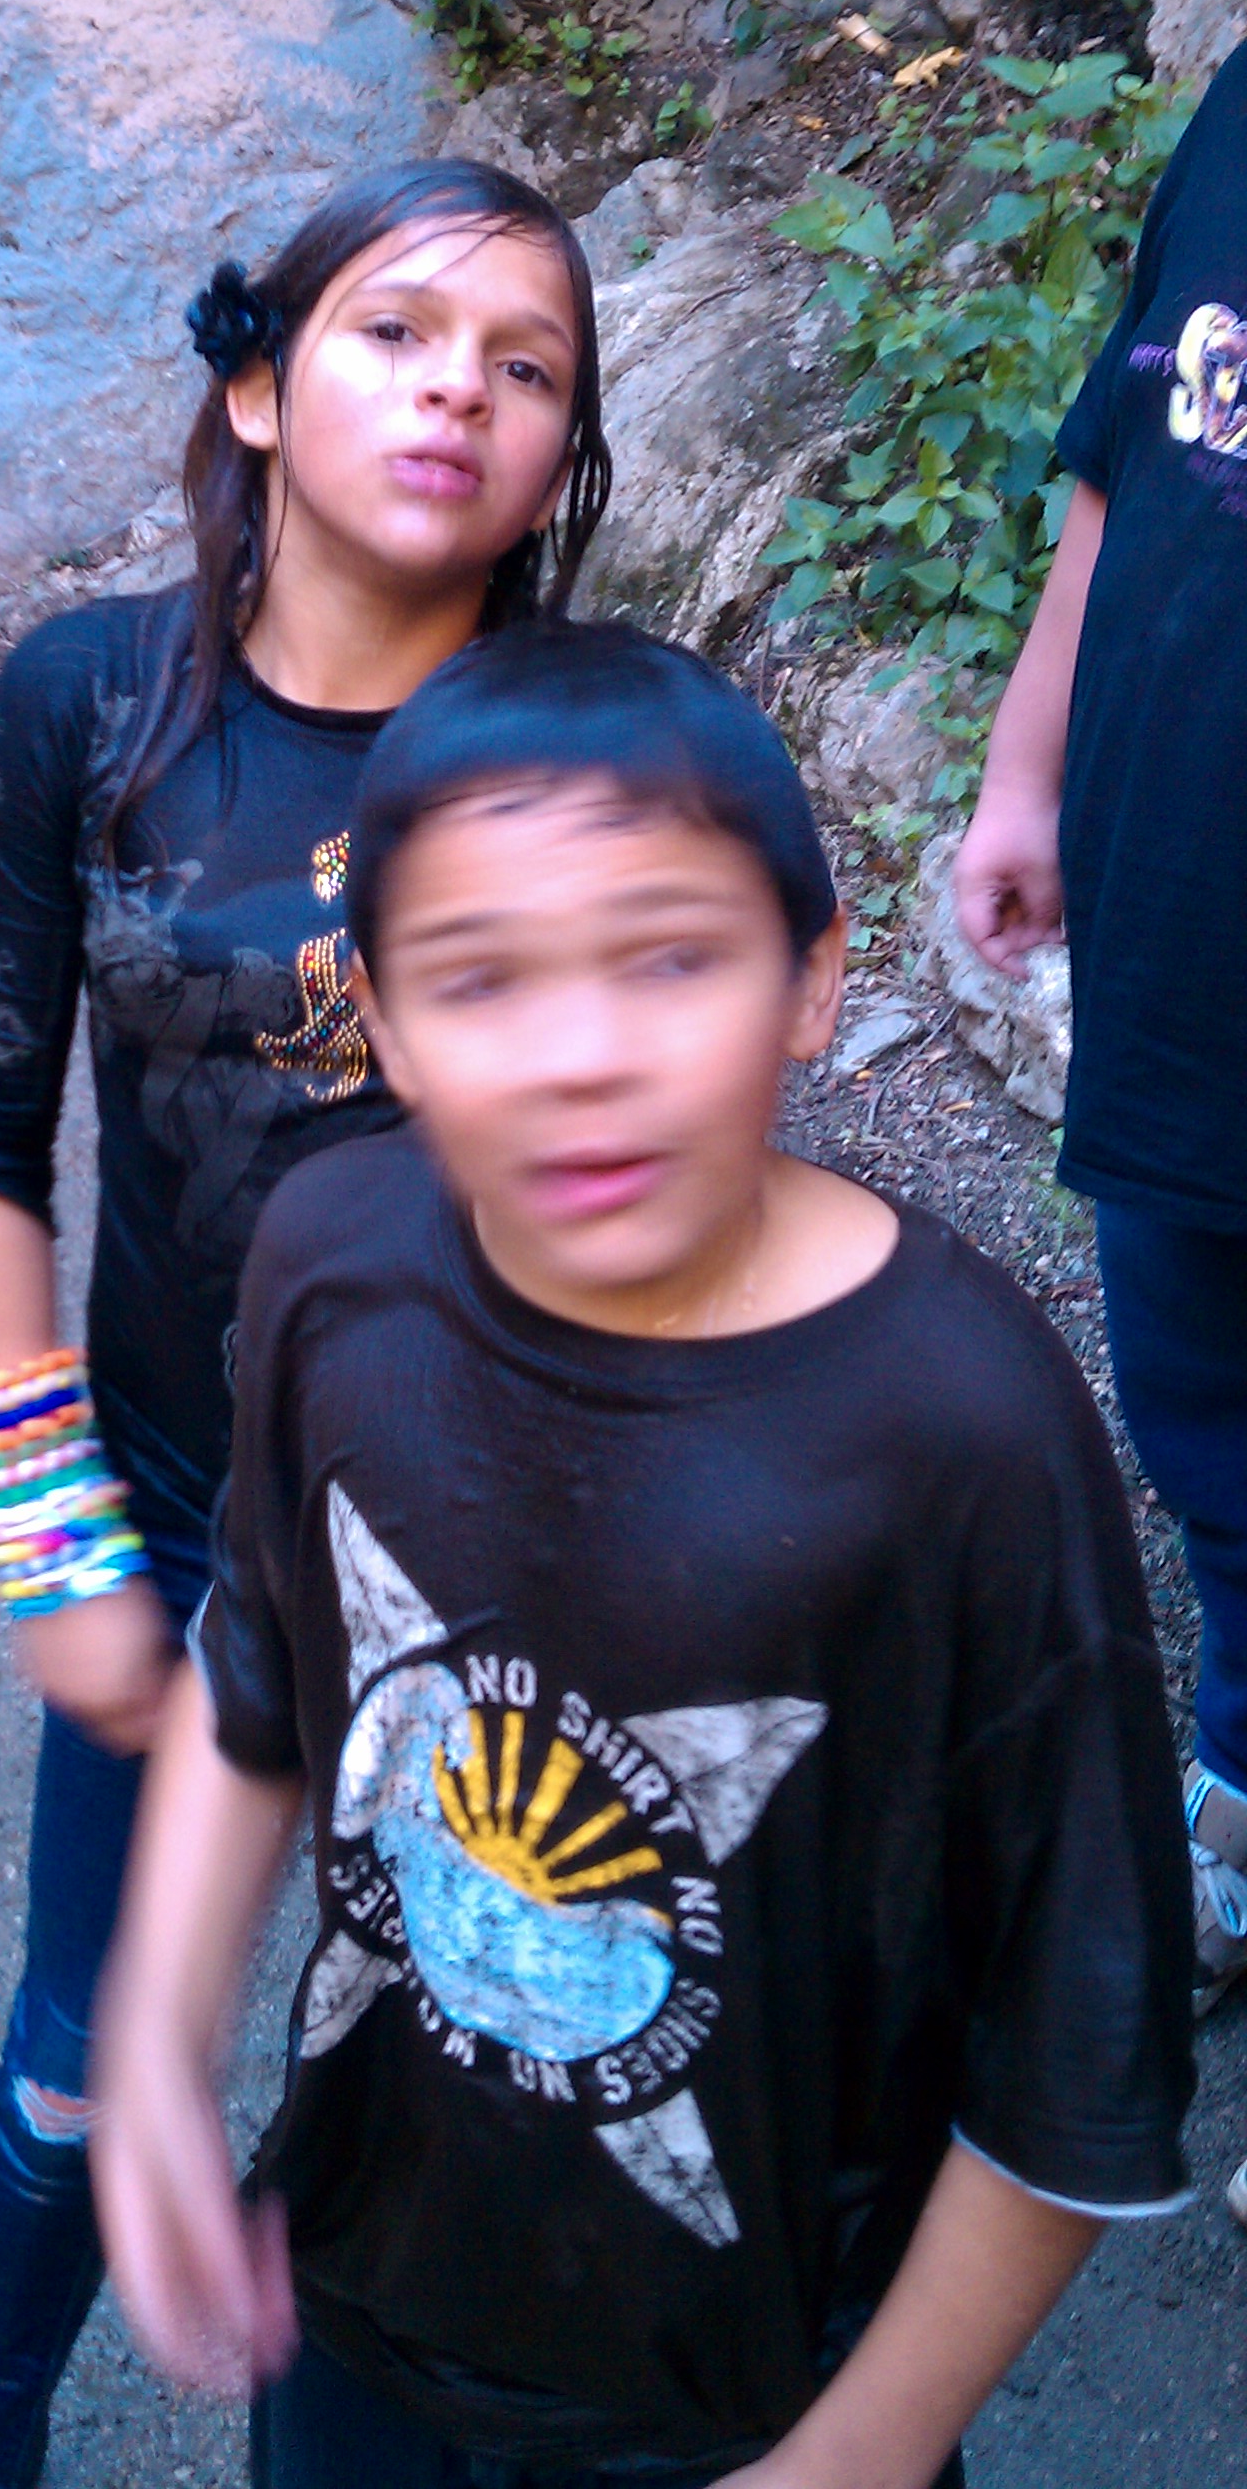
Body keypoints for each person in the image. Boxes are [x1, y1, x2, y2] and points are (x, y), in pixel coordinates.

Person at [93, 620, 1193, 2489]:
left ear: (814, 978)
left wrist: (860, 2455)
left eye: (671, 958)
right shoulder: (331, 1266)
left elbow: (1077, 2050)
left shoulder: (966, 1431)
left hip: (756, 2404)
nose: (583, 1059)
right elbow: (257, 1682)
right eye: (479, 980)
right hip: (359, 2301)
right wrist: (150, 2044)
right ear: (382, 1021)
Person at [0, 159, 612, 2488]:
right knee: (75, 2068)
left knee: (466, 2084)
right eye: (396, 333)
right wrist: (50, 1549)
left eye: (525, 367)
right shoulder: (87, 704)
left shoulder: (590, 753)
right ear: (255, 387)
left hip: (494, 1535)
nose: (458, 391)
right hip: (166, 1496)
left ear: (562, 455)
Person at [953, 42, 1247, 2094]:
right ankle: (1237, 1785)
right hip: (1186, 936)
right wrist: (1021, 768)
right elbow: (1117, 464)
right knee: (1205, 1423)